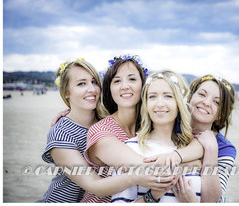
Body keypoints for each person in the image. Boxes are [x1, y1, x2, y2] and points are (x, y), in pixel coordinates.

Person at [38, 59, 167, 203]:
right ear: (66, 92)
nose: (91, 89)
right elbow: (94, 185)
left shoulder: (104, 117)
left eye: (94, 82)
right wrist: (136, 177)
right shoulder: (62, 133)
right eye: (81, 83)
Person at [81, 56, 203, 202]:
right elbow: (148, 168)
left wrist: (179, 156)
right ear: (109, 88)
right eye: (117, 80)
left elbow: (198, 141)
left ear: (143, 85)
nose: (125, 86)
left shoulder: (152, 121)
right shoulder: (102, 132)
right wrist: (195, 163)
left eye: (132, 79)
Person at [111, 70, 202, 203]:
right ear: (146, 104)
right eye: (152, 96)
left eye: (168, 96)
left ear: (179, 103)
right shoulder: (130, 148)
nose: (159, 104)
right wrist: (152, 196)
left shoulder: (193, 150)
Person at [188, 75, 237, 202]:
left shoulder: (225, 148)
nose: (206, 102)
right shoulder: (169, 127)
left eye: (216, 102)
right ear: (190, 97)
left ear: (221, 114)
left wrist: (211, 149)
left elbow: (213, 200)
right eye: (202, 94)